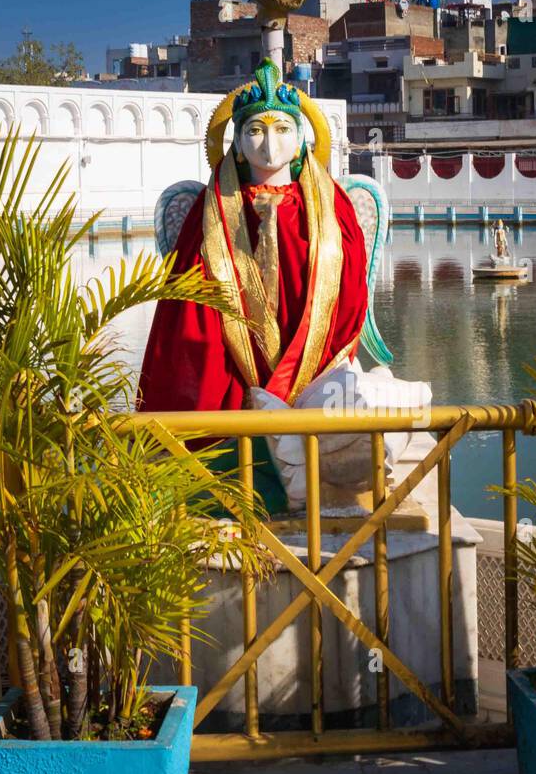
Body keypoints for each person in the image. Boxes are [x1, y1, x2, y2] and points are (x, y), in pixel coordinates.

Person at [137, 58, 369, 511]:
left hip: (314, 368)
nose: (269, 143)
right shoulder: (212, 208)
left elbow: (351, 291)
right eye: (255, 131)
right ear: (237, 145)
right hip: (231, 371)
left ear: (302, 137)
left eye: (282, 128)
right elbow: (187, 303)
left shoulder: (331, 206)